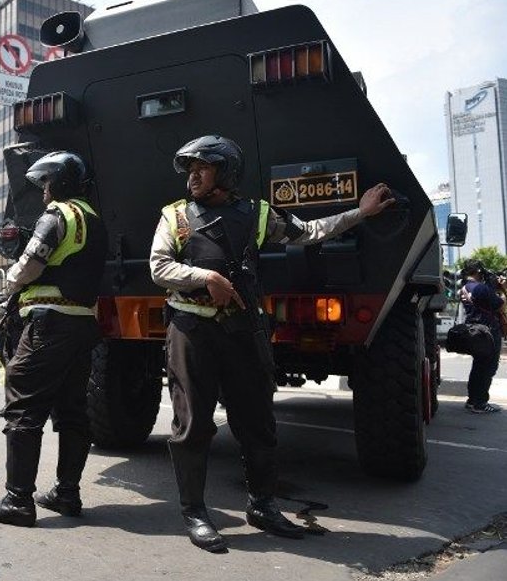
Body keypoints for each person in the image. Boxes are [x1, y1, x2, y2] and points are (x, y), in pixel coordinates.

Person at [149, 135, 395, 552]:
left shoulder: (258, 213)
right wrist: (205, 277)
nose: (193, 177)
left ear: (226, 172)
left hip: (244, 330)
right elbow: (159, 268)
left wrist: (361, 212)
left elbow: (310, 232)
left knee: (258, 422)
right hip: (191, 330)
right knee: (192, 426)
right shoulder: (175, 216)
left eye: (202, 168)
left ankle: (262, 505)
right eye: (190, 169)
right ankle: (195, 513)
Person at [0, 151, 108, 527]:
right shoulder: (94, 220)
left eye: (47, 183)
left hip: (49, 323)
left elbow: (31, 263)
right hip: (82, 323)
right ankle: (67, 493)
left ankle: (18, 500)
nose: (44, 191)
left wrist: (10, 280)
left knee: (22, 404)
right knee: (73, 409)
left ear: (61, 182)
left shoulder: (57, 215)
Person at [458, 259, 504, 414]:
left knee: (478, 366)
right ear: (478, 271)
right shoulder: (481, 288)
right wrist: (497, 287)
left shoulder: (464, 287)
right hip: (488, 331)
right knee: (488, 367)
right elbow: (499, 304)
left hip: (475, 331)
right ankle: (480, 403)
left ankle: (472, 400)